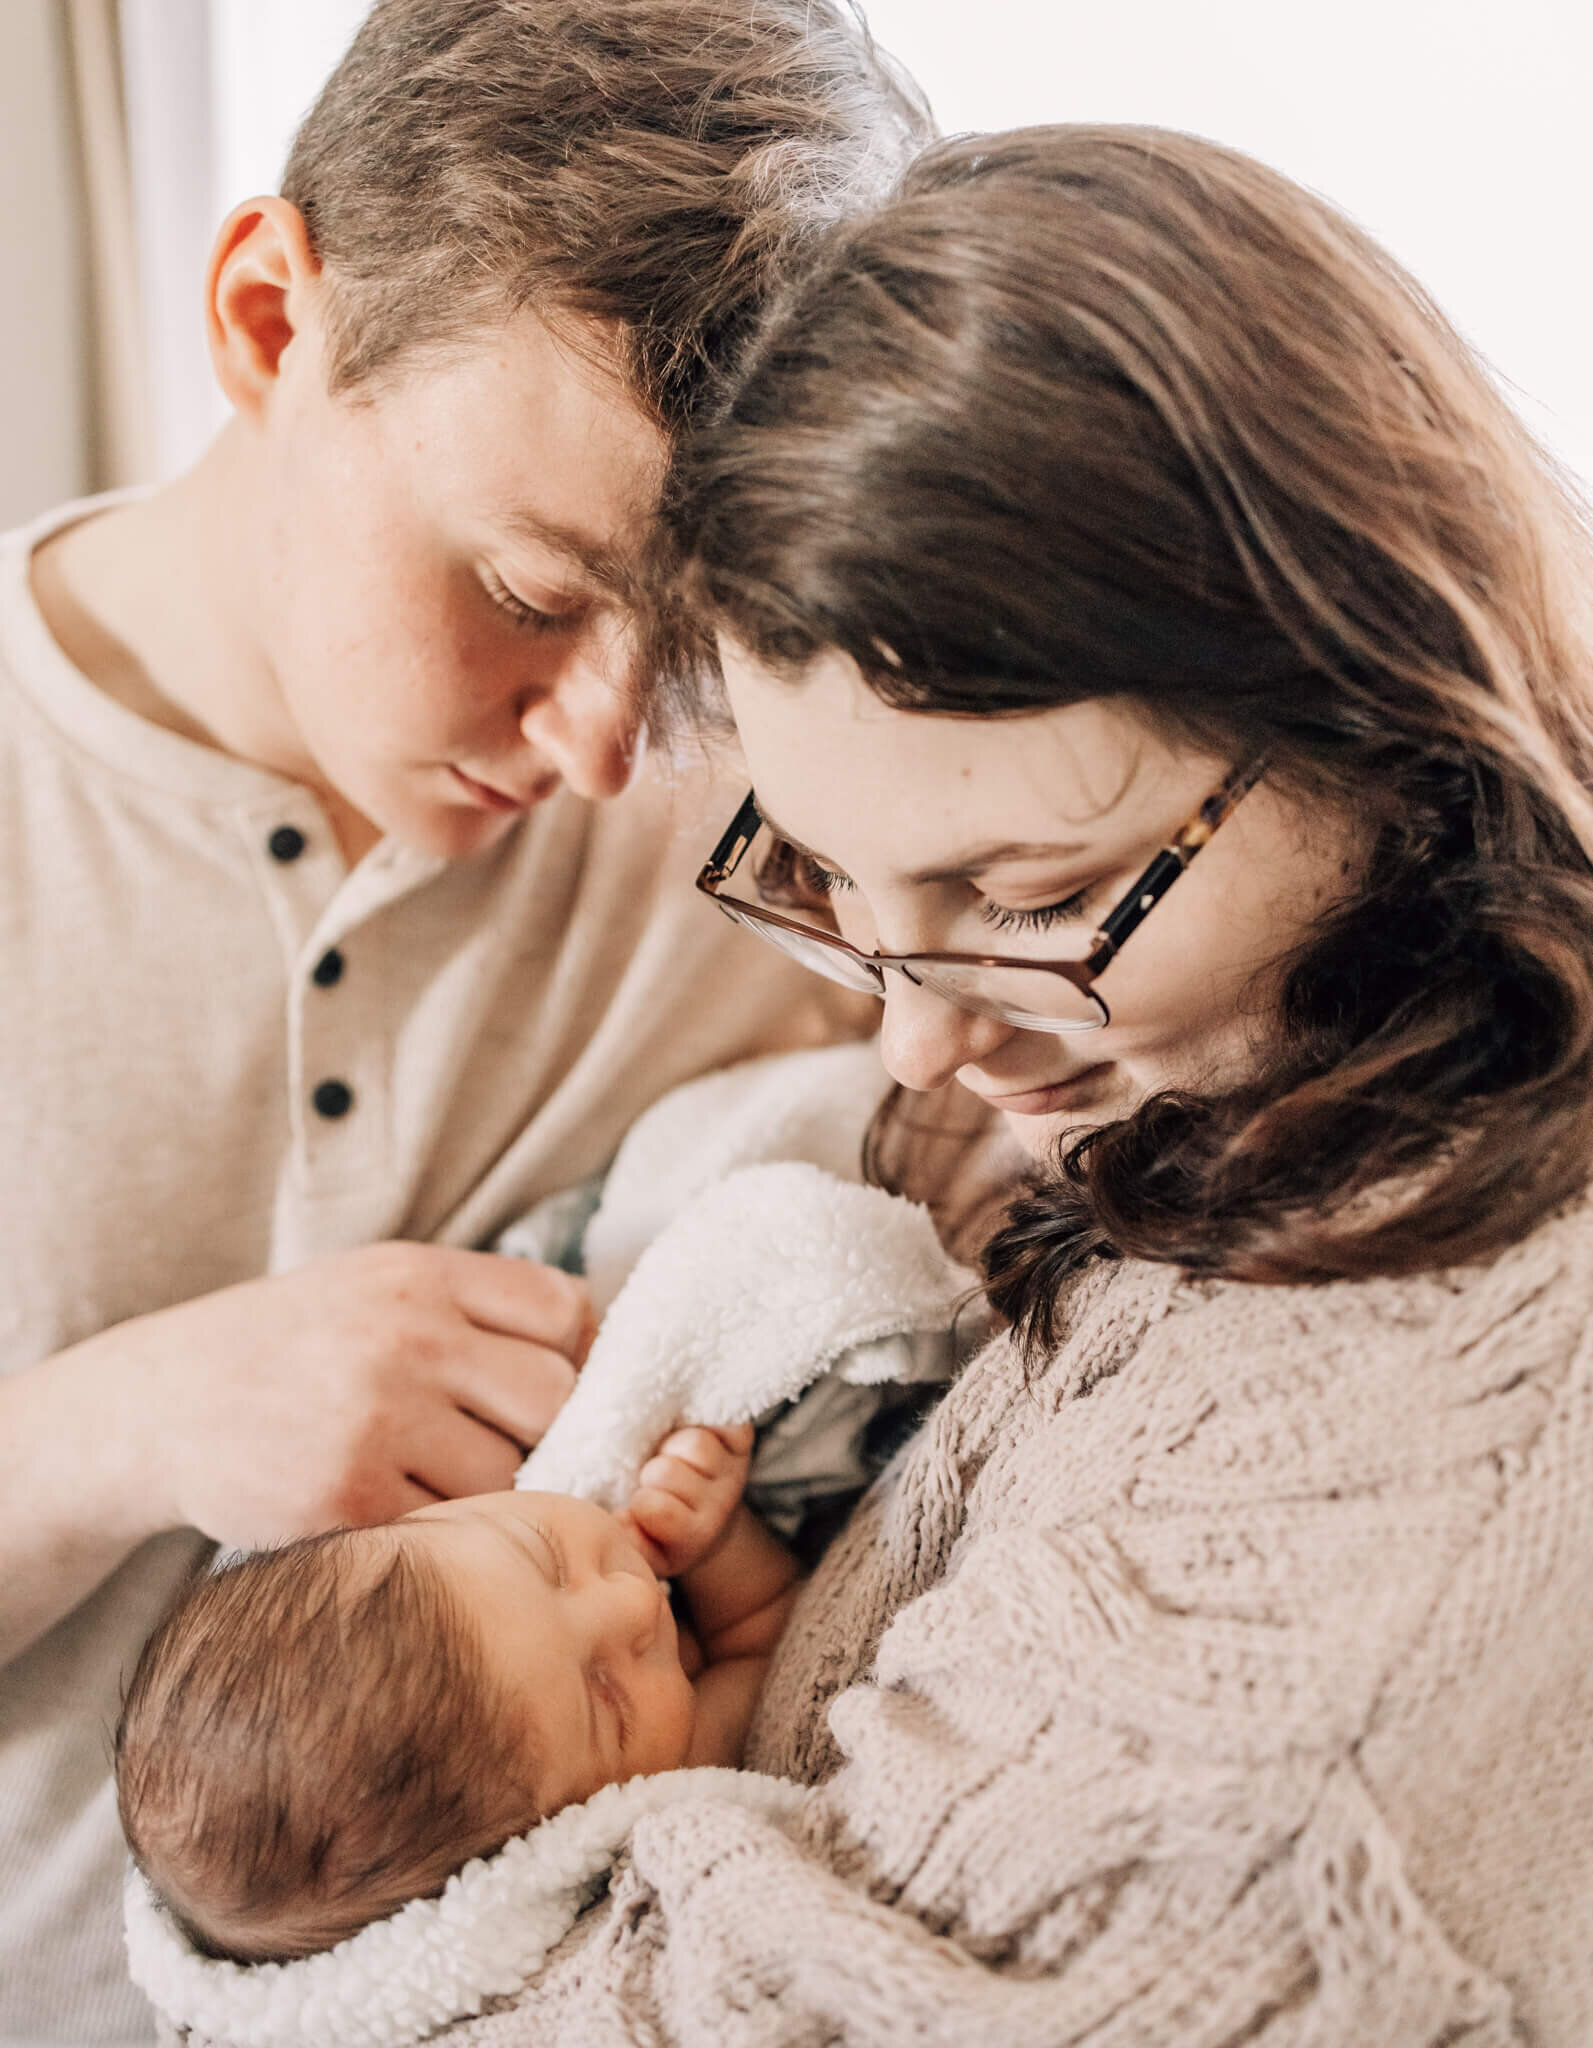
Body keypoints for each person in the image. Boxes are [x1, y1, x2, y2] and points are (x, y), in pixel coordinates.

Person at [330, 125, 1590, 2042]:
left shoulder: (1308, 1688)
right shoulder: (1267, 1057)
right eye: (829, 879)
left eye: (1032, 895)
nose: (915, 1029)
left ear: (1387, 703)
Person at [0, 3, 926, 2037]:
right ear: (267, 318)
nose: (610, 745)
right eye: (527, 586)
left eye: (692, 638)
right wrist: (111, 1429)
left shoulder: (803, 810)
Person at [115, 1424, 800, 1964]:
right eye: (605, 1696)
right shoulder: (677, 1766)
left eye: (548, 1561)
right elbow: (765, 1637)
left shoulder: (462, 1546)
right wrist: (716, 1544)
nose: (630, 1605)